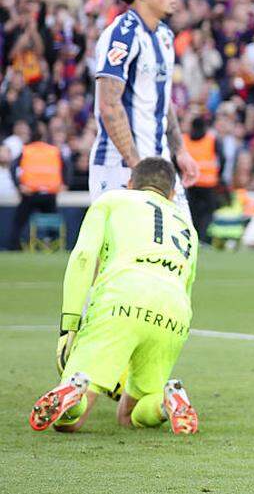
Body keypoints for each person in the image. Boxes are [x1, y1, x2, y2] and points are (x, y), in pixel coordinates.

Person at [28, 158, 199, 435]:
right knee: (130, 414)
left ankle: (72, 395)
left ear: (130, 184)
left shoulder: (113, 200)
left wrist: (69, 326)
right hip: (175, 313)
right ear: (172, 194)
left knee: (68, 423)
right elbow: (187, 288)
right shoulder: (189, 228)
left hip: (122, 299)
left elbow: (83, 258)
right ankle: (164, 403)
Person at [89, 0, 198, 210]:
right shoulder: (122, 34)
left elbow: (162, 99)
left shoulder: (165, 36)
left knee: (182, 234)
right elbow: (109, 104)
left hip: (160, 164)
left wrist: (180, 150)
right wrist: (137, 167)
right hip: (120, 167)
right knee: (127, 239)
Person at [8, 128, 67, 250]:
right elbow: (67, 166)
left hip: (30, 193)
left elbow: (13, 167)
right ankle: (54, 246)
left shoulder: (26, 150)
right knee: (52, 223)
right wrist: (66, 183)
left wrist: (18, 185)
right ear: (44, 138)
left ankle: (14, 246)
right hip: (49, 194)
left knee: (18, 222)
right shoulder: (53, 151)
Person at [183, 116, 222, 243]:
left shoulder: (184, 139)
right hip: (208, 183)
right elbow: (222, 158)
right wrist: (219, 175)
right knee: (208, 212)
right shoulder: (212, 139)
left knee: (192, 212)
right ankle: (203, 239)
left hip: (191, 182)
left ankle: (194, 238)